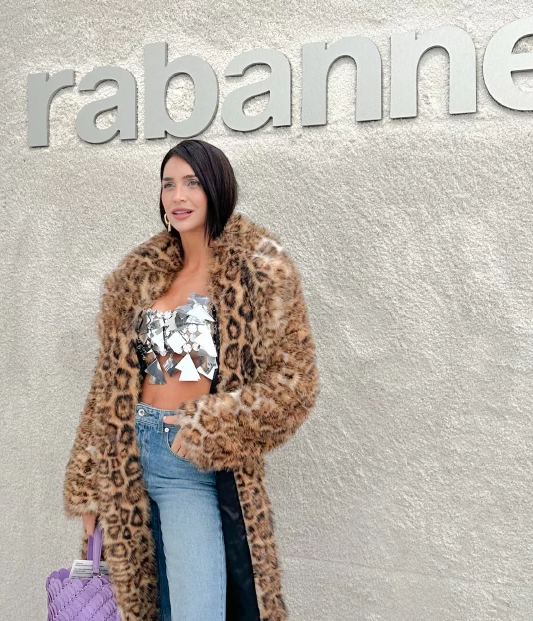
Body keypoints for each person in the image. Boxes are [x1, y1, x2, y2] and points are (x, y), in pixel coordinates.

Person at [62, 139, 320, 621]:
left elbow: (295, 382)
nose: (178, 196)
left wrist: (211, 424)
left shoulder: (259, 269)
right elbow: (107, 389)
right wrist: (91, 480)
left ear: (217, 188)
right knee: (144, 606)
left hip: (188, 466)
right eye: (168, 184)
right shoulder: (142, 274)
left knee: (197, 610)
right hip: (129, 458)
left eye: (192, 183)